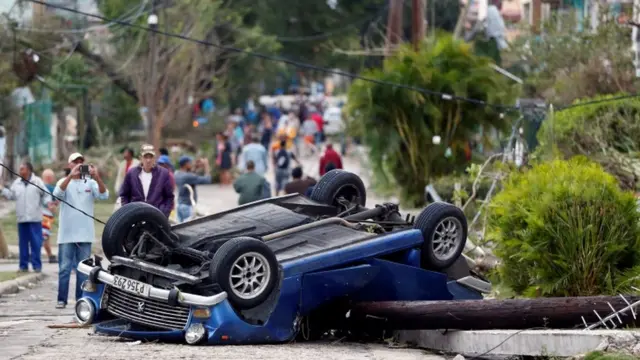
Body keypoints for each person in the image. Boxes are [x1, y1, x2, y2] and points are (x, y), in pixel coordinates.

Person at [53, 152, 109, 308]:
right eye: (75, 162)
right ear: (69, 165)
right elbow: (57, 194)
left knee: (83, 270)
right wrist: (71, 176)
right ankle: (61, 299)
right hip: (66, 235)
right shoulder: (63, 182)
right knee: (64, 268)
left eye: (81, 162)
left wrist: (97, 177)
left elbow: (104, 195)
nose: (78, 165)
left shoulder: (90, 183)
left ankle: (80, 299)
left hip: (85, 234)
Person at [0, 162, 52, 273]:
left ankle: (36, 266)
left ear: (28, 170)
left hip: (35, 220)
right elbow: (11, 195)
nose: (20, 171)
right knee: (23, 244)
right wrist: (2, 189)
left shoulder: (37, 182)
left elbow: (46, 194)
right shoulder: (16, 183)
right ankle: (23, 266)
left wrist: (47, 203)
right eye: (20, 169)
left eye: (22, 169)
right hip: (22, 220)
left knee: (35, 244)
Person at [119, 144, 175, 217]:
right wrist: (128, 212)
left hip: (157, 217)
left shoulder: (163, 173)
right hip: (135, 217)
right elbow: (124, 195)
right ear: (140, 158)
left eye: (151, 157)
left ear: (154, 158)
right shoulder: (131, 173)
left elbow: (169, 197)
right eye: (145, 157)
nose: (148, 160)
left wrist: (164, 214)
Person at [174, 156, 212, 223]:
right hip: (187, 207)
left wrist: (196, 167)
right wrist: (206, 165)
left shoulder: (177, 173)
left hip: (179, 206)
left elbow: (190, 175)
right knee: (188, 229)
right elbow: (207, 180)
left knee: (180, 229)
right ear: (186, 164)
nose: (192, 164)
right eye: (190, 163)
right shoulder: (188, 176)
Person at [113, 147, 139, 212]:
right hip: (124, 189)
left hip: (134, 190)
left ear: (130, 154)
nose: (124, 154)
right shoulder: (122, 164)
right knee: (118, 208)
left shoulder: (137, 163)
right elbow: (119, 177)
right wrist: (117, 188)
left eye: (125, 153)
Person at [41, 168, 58, 263]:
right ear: (49, 177)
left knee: (44, 235)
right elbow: (55, 204)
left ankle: (50, 254)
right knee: (45, 236)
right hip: (46, 216)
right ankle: (50, 256)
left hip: (37, 215)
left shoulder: (37, 186)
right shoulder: (52, 189)